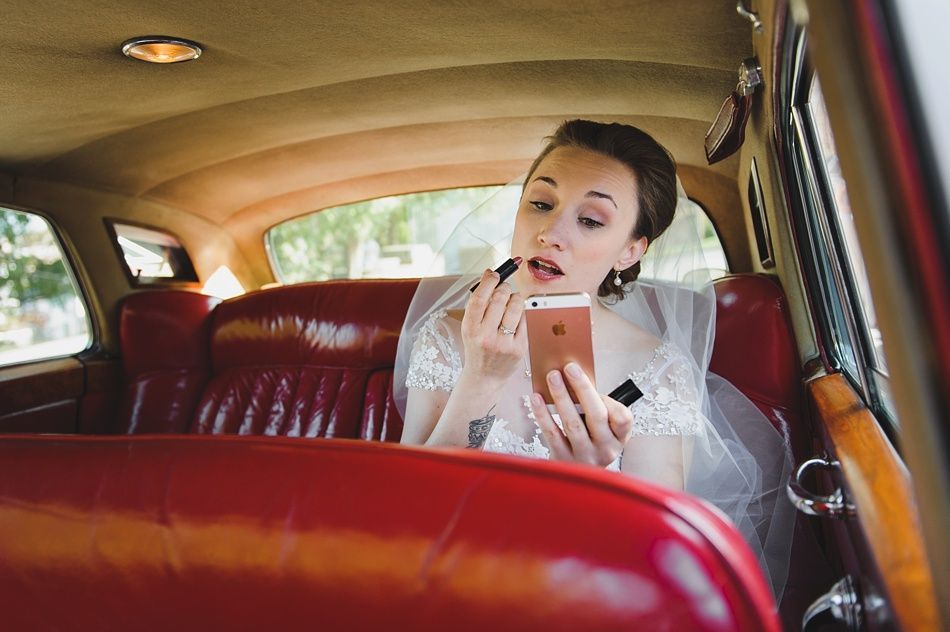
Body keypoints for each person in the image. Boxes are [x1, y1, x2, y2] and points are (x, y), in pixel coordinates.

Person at [393, 119, 793, 598]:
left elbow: (652, 562)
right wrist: (480, 377)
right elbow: (410, 509)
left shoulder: (657, 375)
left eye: (590, 220)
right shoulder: (447, 336)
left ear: (630, 250)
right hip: (444, 588)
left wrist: (590, 479)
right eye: (541, 204)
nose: (550, 232)